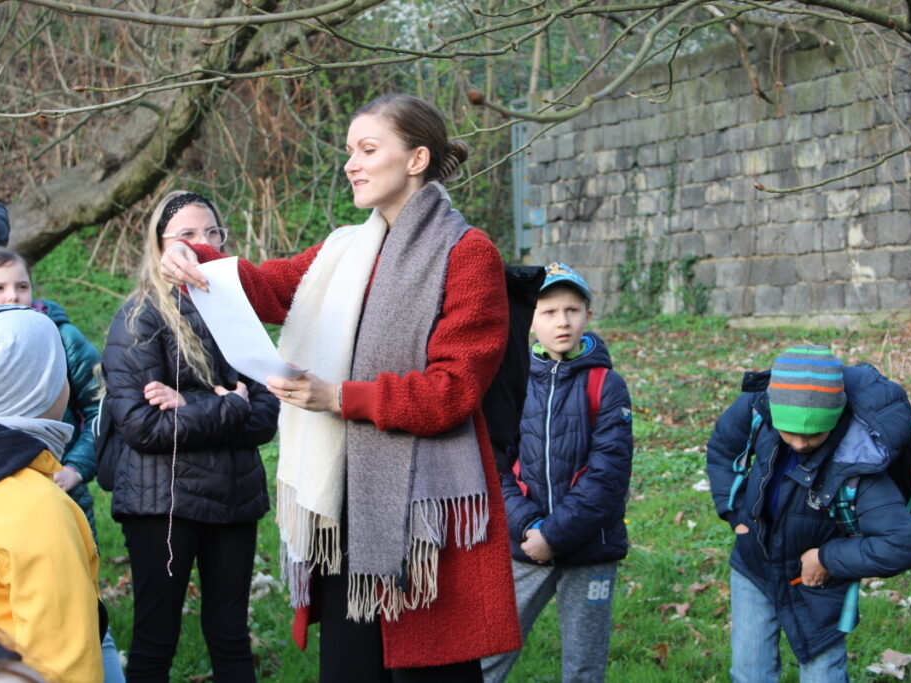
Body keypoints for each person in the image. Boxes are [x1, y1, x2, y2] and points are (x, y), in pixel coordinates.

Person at [160, 94, 521, 680]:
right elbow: (270, 286)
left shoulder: (467, 252)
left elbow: (452, 390)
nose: (351, 163)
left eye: (368, 149)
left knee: (427, 675)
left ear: (416, 158)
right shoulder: (345, 250)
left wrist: (339, 398)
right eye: (349, 151)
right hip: (347, 508)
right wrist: (190, 251)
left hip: (423, 521)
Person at [100, 191, 280, 682]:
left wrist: (195, 404)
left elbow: (266, 413)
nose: (203, 244)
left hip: (234, 498)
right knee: (156, 643)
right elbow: (142, 425)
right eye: (188, 235)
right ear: (161, 246)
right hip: (163, 502)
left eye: (212, 233)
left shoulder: (237, 313)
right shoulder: (139, 320)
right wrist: (227, 404)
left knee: (231, 640)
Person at [705, 345, 911, 682]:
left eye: (814, 434)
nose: (798, 444)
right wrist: (734, 514)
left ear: (835, 418)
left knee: (823, 673)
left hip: (818, 584)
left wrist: (827, 558)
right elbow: (722, 448)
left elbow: (902, 544)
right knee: (749, 671)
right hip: (754, 567)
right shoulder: (758, 409)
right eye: (789, 431)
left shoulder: (858, 465)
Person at [483, 262, 634, 683]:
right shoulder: (512, 382)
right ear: (530, 319)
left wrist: (556, 534)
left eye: (572, 309)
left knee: (584, 667)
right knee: (488, 655)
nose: (562, 321)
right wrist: (530, 527)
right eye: (548, 312)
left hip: (590, 551)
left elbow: (608, 476)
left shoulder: (606, 384)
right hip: (524, 546)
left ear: (587, 313)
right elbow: (498, 464)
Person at [0, 248, 124, 683]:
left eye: (21, 285)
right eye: (59, 372)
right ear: (39, 387)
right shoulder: (38, 512)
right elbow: (66, 670)